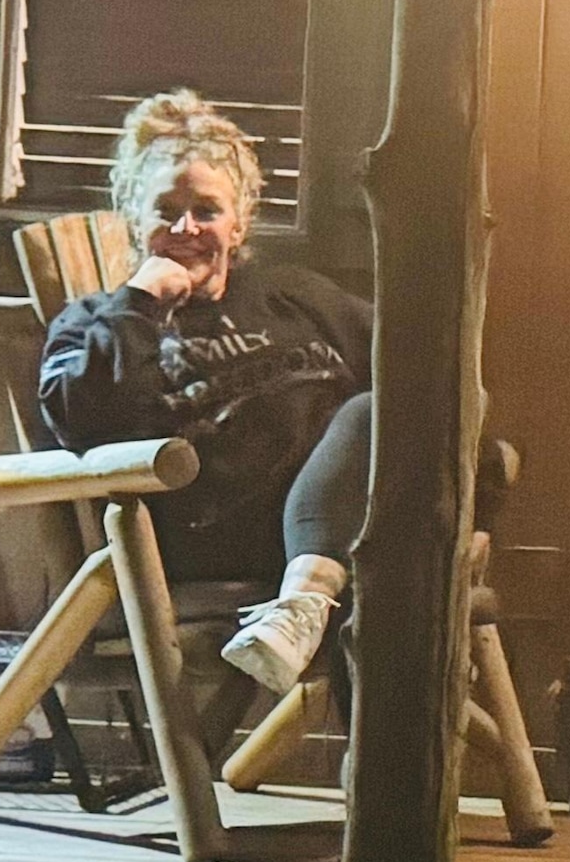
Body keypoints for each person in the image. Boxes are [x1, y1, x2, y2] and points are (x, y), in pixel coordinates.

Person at [31, 90, 373, 695]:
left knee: (390, 406)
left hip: (343, 531)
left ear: (239, 222)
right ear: (135, 221)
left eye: (207, 211)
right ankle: (305, 604)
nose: (186, 229)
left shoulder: (301, 299)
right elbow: (78, 420)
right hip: (209, 545)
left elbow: (426, 383)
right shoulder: (97, 323)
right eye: (167, 210)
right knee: (387, 597)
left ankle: (304, 605)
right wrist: (139, 304)